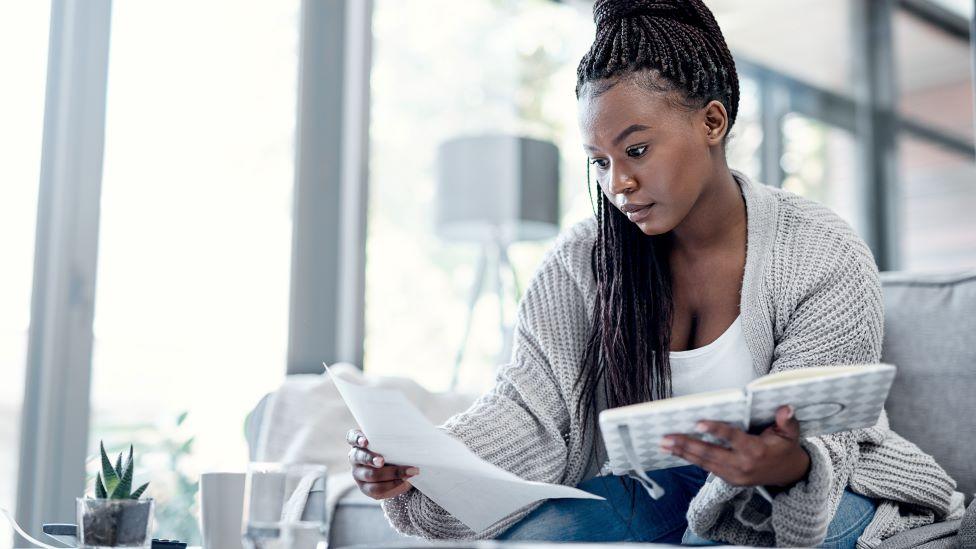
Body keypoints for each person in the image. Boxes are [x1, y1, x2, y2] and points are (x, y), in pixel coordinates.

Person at [345, 0, 965, 546]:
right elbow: (529, 412)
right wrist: (422, 464)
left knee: (737, 528)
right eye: (600, 161)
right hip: (662, 491)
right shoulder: (580, 263)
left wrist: (783, 463)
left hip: (811, 494)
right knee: (534, 537)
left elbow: (825, 430)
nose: (618, 183)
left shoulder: (821, 249)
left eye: (636, 149)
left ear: (712, 122)